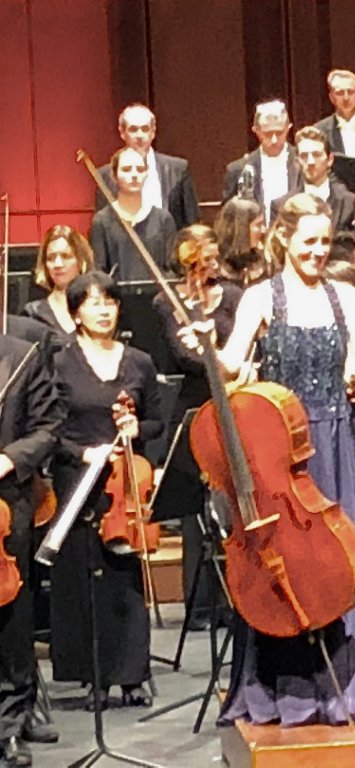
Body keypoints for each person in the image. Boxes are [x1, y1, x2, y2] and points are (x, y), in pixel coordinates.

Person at [182, 193, 355, 726]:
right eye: (308, 241)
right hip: (283, 451)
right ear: (284, 239)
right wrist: (208, 346)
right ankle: (293, 688)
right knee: (293, 561)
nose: (318, 250)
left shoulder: (345, 295)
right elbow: (229, 366)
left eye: (324, 241)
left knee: (347, 560)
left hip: (341, 441)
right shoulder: (260, 298)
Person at [50, 271, 163, 710]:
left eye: (109, 302)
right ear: (76, 311)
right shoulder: (59, 362)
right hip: (78, 478)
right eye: (93, 303)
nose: (103, 310)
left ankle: (132, 674)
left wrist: (138, 428)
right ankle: (93, 676)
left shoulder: (139, 362)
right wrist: (82, 454)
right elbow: (50, 427)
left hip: (125, 482)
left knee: (125, 577)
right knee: (85, 577)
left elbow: (157, 420)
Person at [152, 227, 243, 631]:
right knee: (195, 512)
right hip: (194, 407)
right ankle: (200, 605)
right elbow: (182, 356)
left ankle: (239, 596)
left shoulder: (236, 296)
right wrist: (204, 344)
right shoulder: (166, 301)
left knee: (236, 501)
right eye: (196, 260)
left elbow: (243, 349)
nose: (204, 267)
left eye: (209, 258)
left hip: (237, 404)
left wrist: (213, 347)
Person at [0, 330, 64, 767]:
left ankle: (8, 721)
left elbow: (49, 425)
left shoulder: (22, 357)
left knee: (9, 616)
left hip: (6, 501)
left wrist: (10, 457)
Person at [94, 104, 200, 229]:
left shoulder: (178, 169)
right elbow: (102, 226)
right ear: (122, 132)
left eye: (145, 129)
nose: (139, 135)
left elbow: (192, 222)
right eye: (133, 129)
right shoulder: (105, 175)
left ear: (153, 132)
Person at [89, 147, 176, 281]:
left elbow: (170, 268)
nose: (134, 175)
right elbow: (99, 270)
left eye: (140, 169)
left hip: (157, 297)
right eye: (127, 169)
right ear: (114, 176)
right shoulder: (102, 221)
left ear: (146, 174)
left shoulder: (163, 219)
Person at [222, 99, 300, 221]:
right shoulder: (238, 169)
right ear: (256, 130)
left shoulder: (303, 162)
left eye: (279, 132)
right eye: (268, 134)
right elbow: (228, 218)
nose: (274, 140)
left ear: (288, 128)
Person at [270, 126, 355, 234]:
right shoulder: (281, 206)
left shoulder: (350, 203)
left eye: (316, 155)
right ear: (296, 163)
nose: (310, 162)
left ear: (330, 159)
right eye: (304, 156)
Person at [22, 224, 95, 340]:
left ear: (81, 261)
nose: (57, 264)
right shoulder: (33, 312)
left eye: (66, 256)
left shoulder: (99, 306)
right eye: (51, 258)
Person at [214, 197, 268, 287]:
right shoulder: (214, 268)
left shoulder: (264, 264)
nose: (263, 230)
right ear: (240, 230)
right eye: (258, 225)